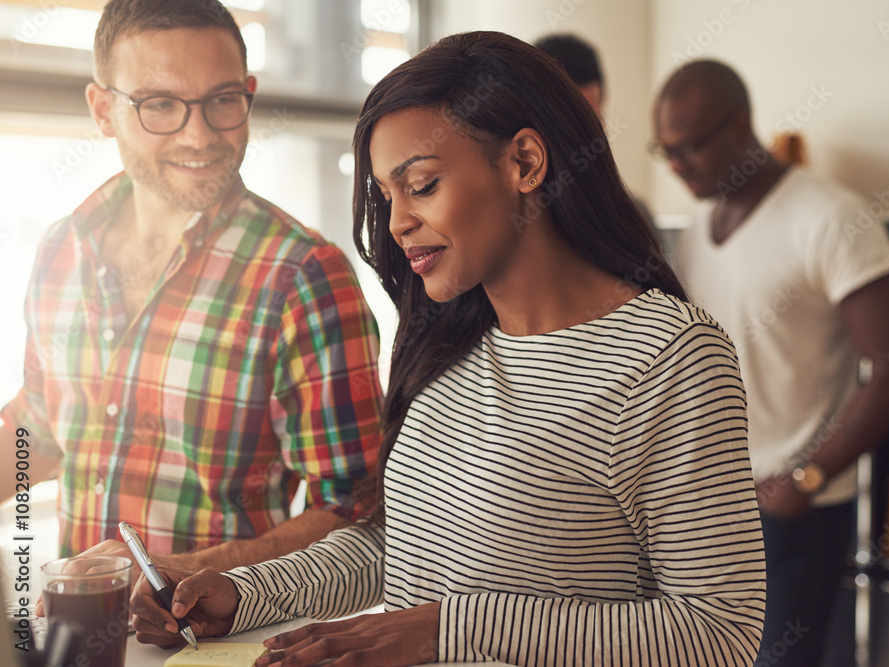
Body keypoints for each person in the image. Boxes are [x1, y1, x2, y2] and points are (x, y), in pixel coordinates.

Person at [130, 31, 766, 666]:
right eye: (386, 195)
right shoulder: (446, 343)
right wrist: (245, 594)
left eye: (423, 185)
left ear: (524, 163)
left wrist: (447, 628)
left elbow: (720, 632)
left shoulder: (671, 357)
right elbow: (399, 544)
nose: (398, 220)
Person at [0, 0, 382, 577]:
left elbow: (358, 508)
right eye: (160, 105)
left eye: (223, 100)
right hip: (76, 640)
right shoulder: (61, 247)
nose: (201, 135)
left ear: (248, 93)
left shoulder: (303, 275)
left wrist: (198, 572)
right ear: (103, 110)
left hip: (216, 648)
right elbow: (43, 433)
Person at [650, 60, 889, 666]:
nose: (676, 166)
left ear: (740, 124)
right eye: (663, 150)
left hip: (789, 512)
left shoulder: (831, 217)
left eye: (689, 147)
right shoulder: (695, 231)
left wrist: (807, 477)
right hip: (704, 506)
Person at [534, 33, 658, 234]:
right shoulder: (506, 221)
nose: (579, 137)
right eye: (564, 123)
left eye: (591, 121)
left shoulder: (631, 218)